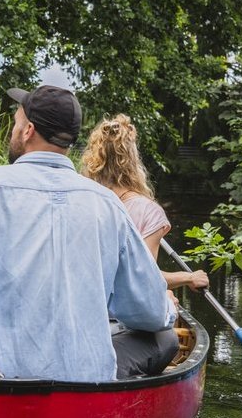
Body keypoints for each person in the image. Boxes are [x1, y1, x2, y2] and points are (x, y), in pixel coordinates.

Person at [0, 85, 175, 382]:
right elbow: (150, 311)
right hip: (82, 388)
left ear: (28, 131)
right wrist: (167, 306)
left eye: (15, 123)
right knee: (164, 338)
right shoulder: (108, 205)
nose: (13, 131)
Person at [81, 114, 210, 378]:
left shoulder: (82, 200)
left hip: (81, 315)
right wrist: (188, 278)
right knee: (167, 339)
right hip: (118, 323)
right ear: (132, 160)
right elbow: (145, 281)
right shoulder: (147, 210)